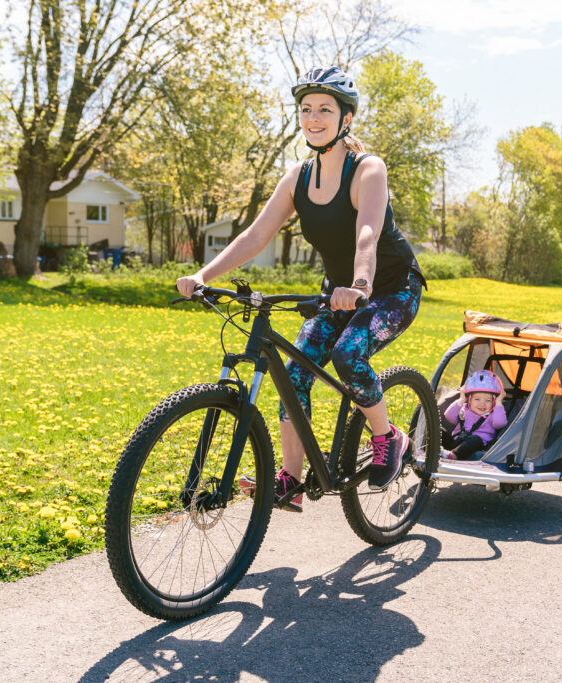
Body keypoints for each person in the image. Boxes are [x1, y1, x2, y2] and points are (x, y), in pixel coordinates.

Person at [175, 65, 425, 512]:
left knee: (349, 355)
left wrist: (360, 284)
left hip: (389, 288)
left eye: (324, 109)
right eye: (306, 109)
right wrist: (203, 277)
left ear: (346, 119)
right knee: (293, 373)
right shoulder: (298, 178)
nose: (313, 117)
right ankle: (290, 478)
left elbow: (366, 233)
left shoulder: (368, 168)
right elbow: (254, 237)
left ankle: (389, 438)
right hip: (337, 292)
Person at [441, 370, 507, 461]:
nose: (482, 404)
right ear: (470, 399)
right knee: (439, 430)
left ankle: (454, 456)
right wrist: (461, 399)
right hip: (456, 441)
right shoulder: (464, 408)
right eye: (477, 399)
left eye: (488, 400)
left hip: (474, 446)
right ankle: (430, 449)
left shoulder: (493, 414)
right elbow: (449, 416)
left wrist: (499, 402)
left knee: (475, 439)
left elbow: (500, 423)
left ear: (494, 402)